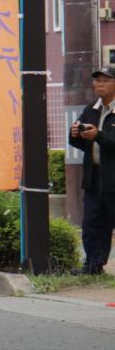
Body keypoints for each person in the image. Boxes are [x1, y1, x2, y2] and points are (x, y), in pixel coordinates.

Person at [68, 66, 115, 275]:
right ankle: (93, 264)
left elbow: (109, 142)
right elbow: (83, 145)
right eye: (97, 80)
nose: (100, 84)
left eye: (106, 80)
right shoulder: (91, 110)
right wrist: (75, 135)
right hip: (94, 178)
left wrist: (98, 136)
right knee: (92, 224)